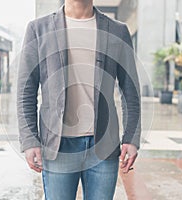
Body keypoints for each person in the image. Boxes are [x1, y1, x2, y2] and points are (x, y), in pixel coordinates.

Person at [17, 0, 141, 199]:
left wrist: (131, 138)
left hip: (104, 146)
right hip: (58, 147)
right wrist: (30, 140)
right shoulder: (38, 29)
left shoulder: (118, 31)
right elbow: (26, 91)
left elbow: (131, 92)